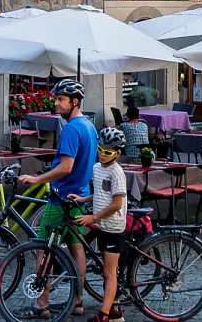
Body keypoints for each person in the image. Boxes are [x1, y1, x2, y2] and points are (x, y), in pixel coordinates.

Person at [19, 78, 97, 318]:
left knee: (43, 247)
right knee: (76, 248)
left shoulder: (72, 128)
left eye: (61, 99)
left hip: (62, 197)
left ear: (75, 102)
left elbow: (66, 167)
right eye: (56, 99)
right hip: (79, 196)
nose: (56, 103)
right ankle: (78, 301)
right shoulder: (89, 126)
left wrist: (37, 179)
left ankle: (42, 303)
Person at [78, 126, 128, 322]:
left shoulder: (117, 172)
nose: (102, 154)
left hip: (113, 227)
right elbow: (100, 194)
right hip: (101, 224)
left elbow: (116, 204)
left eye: (108, 152)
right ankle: (114, 310)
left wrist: (93, 217)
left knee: (109, 272)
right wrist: (84, 199)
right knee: (107, 271)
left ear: (118, 153)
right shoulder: (96, 168)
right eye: (100, 150)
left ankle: (104, 315)